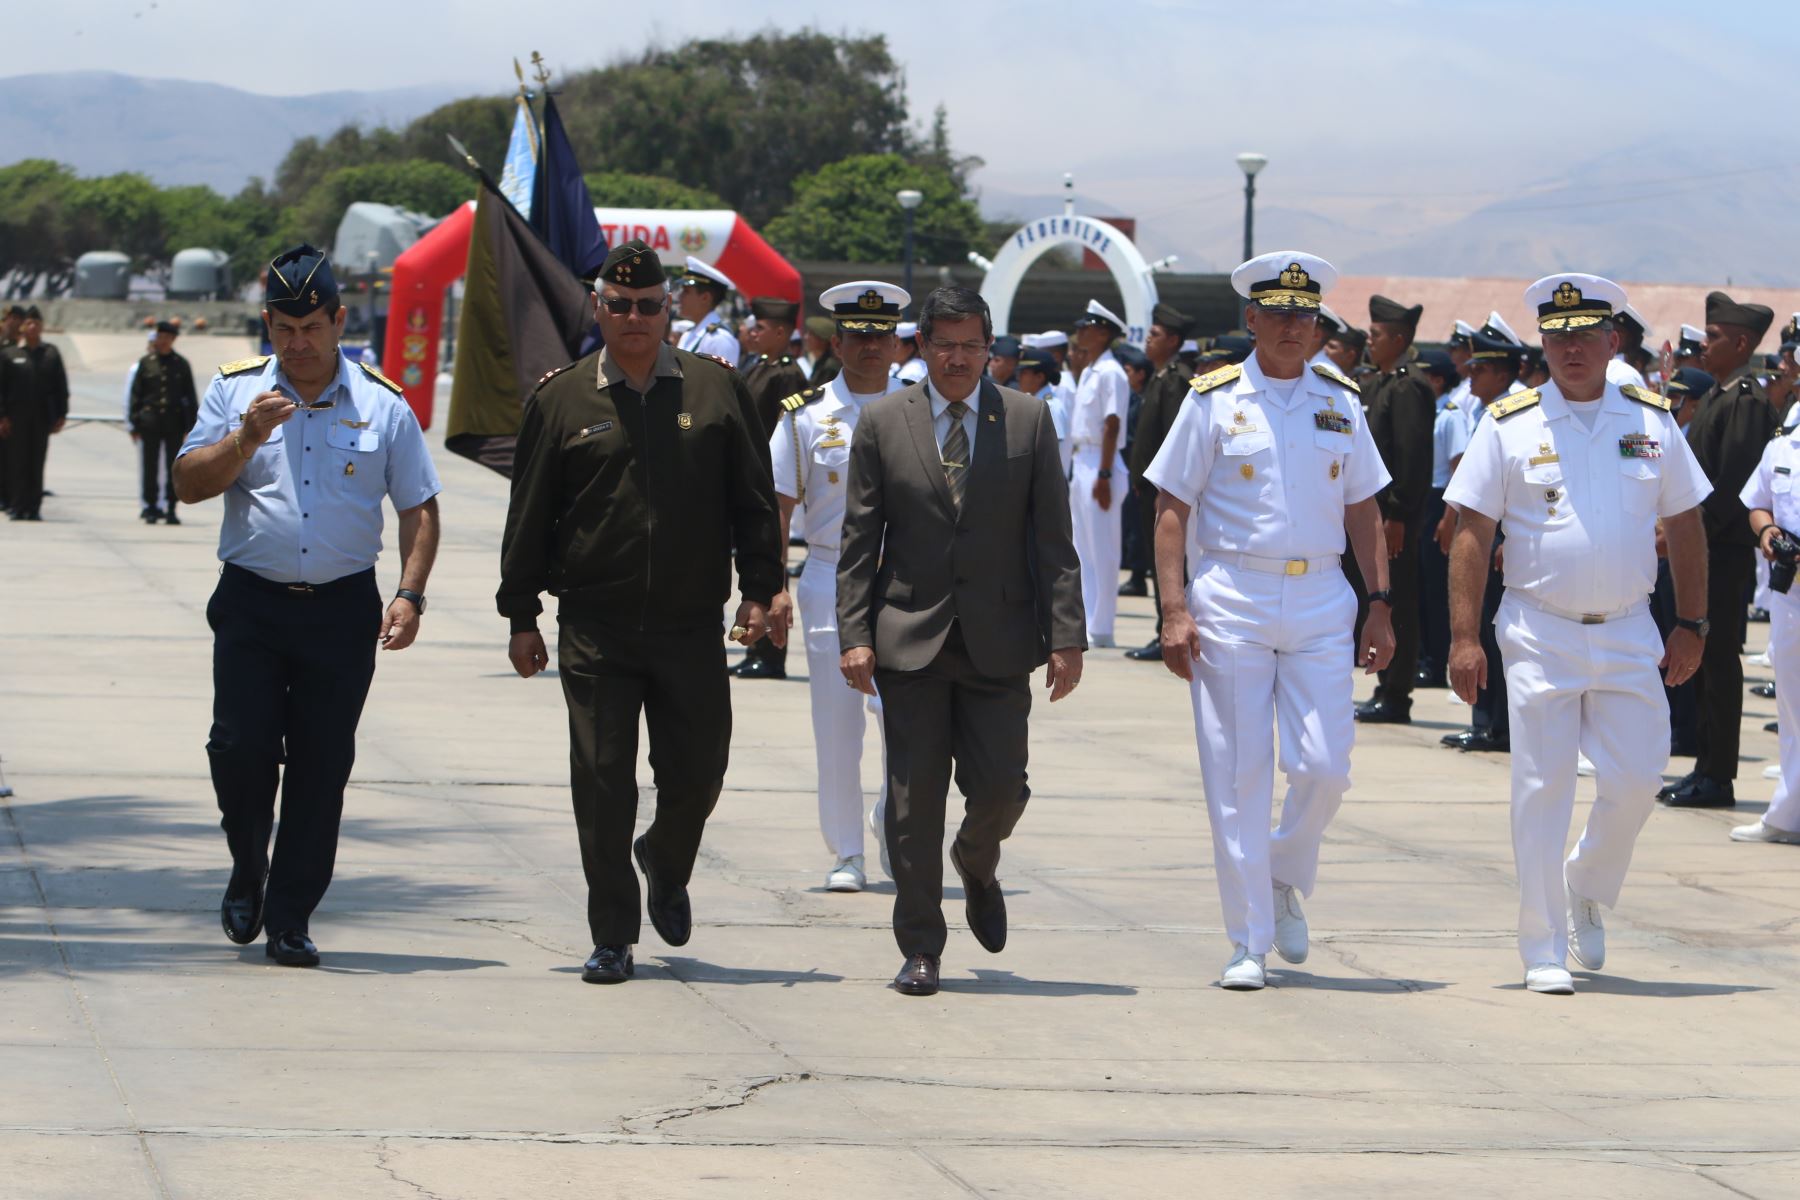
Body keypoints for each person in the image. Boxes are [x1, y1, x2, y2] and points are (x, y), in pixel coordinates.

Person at [499, 240, 779, 984]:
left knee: (700, 771)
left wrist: (760, 589)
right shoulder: (561, 400)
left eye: (648, 305)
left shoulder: (716, 391)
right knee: (602, 782)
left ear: (669, 311)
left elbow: (753, 502)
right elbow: (529, 514)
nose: (634, 317)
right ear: (598, 308)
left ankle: (665, 856)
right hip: (597, 627)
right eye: (619, 305)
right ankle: (613, 933)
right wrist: (521, 614)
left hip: (690, 625)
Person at [172, 244, 442, 968]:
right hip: (252, 604)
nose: (298, 344)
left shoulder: (382, 403)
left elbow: (418, 506)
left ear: (339, 321)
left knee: (321, 767)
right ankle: (247, 863)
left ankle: (290, 918)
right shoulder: (235, 391)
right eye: (284, 329)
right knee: (238, 748)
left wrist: (410, 593)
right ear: (268, 325)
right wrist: (245, 438)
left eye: (312, 328)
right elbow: (187, 485)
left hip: (340, 610)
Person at [1444, 272, 1710, 995]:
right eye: (1559, 336)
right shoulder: (1510, 422)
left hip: (1628, 628)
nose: (1572, 349)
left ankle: (1586, 881)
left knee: (1639, 777)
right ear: (1543, 344)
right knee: (1542, 786)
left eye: (1587, 335)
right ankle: (1542, 948)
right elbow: (1472, 531)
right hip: (1539, 628)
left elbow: (1686, 522)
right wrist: (1464, 636)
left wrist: (1692, 623)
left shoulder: (1651, 420)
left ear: (1612, 340)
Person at [1145, 251, 1395, 991]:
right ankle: (1248, 940)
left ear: (1318, 325)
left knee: (1325, 767)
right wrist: (1173, 609)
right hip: (1233, 594)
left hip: (1321, 595)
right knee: (1238, 773)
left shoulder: (1341, 400)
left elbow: (1363, 508)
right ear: (1251, 318)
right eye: (1278, 313)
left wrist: (1380, 603)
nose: (1292, 326)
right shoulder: (1212, 399)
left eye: (1304, 315)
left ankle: (1282, 869)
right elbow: (1171, 508)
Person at [836, 285, 1085, 997]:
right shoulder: (884, 421)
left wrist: (1067, 636)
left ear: (989, 349)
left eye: (971, 346)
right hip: (908, 638)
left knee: (1003, 788)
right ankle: (921, 945)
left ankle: (976, 861)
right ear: (921, 346)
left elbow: (1054, 538)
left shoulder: (1028, 420)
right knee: (912, 805)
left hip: (999, 640)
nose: (958, 358)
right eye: (944, 345)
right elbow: (860, 540)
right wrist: (855, 633)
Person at [769, 281, 908, 892]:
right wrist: (773, 586)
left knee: (907, 722)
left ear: (897, 344)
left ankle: (895, 826)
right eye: (858, 336)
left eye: (881, 337)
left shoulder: (924, 409)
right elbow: (778, 507)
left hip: (905, 579)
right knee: (837, 723)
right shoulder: (805, 415)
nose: (870, 347)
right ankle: (847, 851)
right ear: (837, 343)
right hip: (829, 573)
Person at [1660, 291, 1778, 809]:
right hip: (1703, 549)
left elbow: (1731, 488)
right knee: (1704, 660)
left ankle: (1717, 775)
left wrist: (1687, 536)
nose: (1704, 346)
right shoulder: (1719, 396)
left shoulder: (1746, 402)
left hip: (1721, 553)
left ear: (1742, 343)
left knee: (1719, 660)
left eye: (1713, 337)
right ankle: (1704, 767)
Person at [1437, 327, 1526, 754]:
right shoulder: (1486, 410)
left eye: (1480, 369)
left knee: (1500, 634)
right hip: (1486, 533)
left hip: (1508, 538)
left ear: (1502, 374)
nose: (1470, 375)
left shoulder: (1517, 413)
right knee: (1482, 628)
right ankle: (1487, 720)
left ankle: (1502, 726)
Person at [1351, 294, 1435, 723]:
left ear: (1398, 340)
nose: (1370, 340)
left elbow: (1411, 456)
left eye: (1377, 334)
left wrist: (1399, 514)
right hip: (1376, 516)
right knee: (1379, 597)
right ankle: (1385, 685)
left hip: (1393, 519)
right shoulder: (1380, 383)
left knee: (1397, 600)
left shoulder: (1408, 387)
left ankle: (1397, 694)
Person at [734, 298, 810, 681]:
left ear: (781, 333)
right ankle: (755, 646)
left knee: (770, 564)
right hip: (753, 477)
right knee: (754, 565)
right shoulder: (761, 366)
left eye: (761, 327)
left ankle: (771, 654)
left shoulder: (789, 375)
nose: (753, 332)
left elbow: (788, 431)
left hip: (771, 480)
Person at [1734, 431, 1800, 845]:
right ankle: (1787, 815)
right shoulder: (1782, 448)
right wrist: (1768, 531)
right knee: (1792, 707)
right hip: (1790, 592)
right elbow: (1757, 504)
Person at [1126, 303, 1195, 661]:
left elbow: (1172, 438)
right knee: (1156, 561)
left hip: (1162, 491)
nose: (1148, 340)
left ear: (1172, 340)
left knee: (1166, 562)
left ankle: (1166, 629)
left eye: (1155, 335)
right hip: (1148, 488)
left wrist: (1166, 490)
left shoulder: (1175, 379)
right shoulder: (1160, 375)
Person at [1066, 299, 1131, 648]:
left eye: (1086, 327)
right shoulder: (1091, 370)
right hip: (1084, 460)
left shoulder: (1110, 372)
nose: (1080, 332)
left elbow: (1112, 423)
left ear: (1103, 333)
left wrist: (1104, 475)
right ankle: (1089, 620)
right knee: (1083, 550)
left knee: (1103, 550)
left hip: (1101, 462)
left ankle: (1102, 626)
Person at [2, 306, 69, 521]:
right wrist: (2, 416)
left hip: (41, 417)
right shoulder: (10, 353)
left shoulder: (50, 353)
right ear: (22, 327)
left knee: (36, 461)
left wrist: (61, 414)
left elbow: (60, 386)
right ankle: (17, 505)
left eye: (36, 324)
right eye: (29, 323)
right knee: (16, 462)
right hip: (16, 418)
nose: (32, 327)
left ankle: (33, 507)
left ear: (42, 327)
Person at [129, 320, 199, 525]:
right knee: (149, 466)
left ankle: (171, 507)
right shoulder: (146, 362)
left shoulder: (181, 364)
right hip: (150, 422)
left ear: (173, 339)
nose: (163, 341)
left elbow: (190, 396)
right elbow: (136, 394)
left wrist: (191, 426)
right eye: (160, 337)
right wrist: (134, 422)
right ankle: (150, 506)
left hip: (173, 423)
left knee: (173, 467)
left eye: (167, 337)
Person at [673, 257, 743, 360]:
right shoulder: (688, 334)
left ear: (705, 298)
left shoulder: (719, 339)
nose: (679, 296)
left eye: (686, 291)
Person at [802, 316, 840, 386]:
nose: (806, 337)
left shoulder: (829, 367)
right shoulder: (821, 363)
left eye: (811, 334)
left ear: (823, 340)